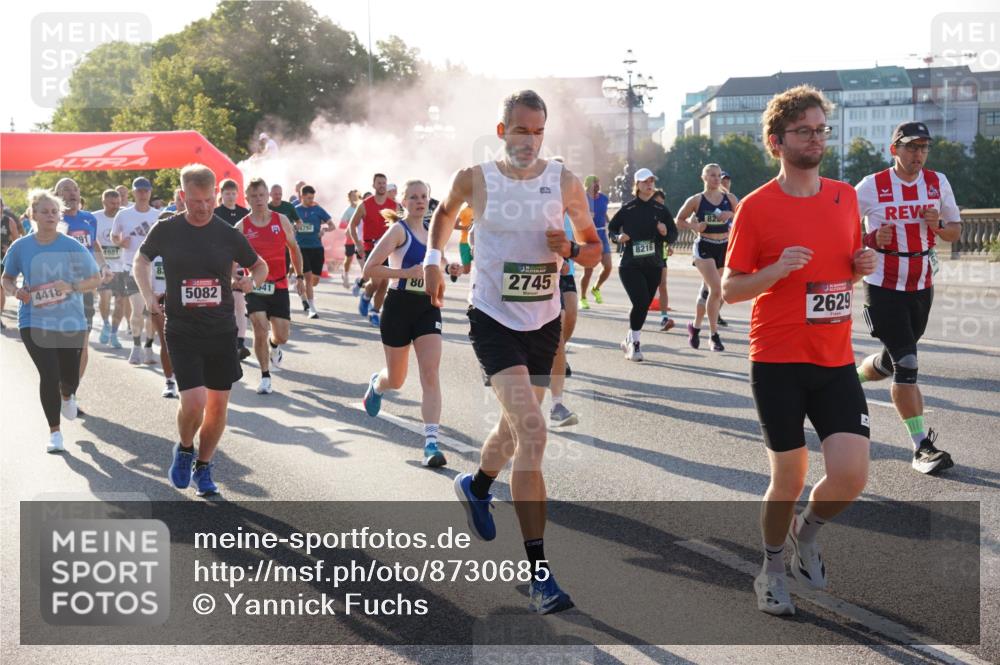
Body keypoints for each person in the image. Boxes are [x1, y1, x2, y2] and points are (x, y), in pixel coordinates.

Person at [424, 90, 601, 614]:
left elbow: (593, 245)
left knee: (511, 428)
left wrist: (571, 250)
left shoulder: (564, 181)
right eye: (520, 131)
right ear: (502, 132)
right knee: (533, 430)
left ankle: (476, 484)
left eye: (539, 131)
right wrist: (434, 258)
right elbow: (445, 213)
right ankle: (540, 571)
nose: (530, 140)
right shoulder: (475, 177)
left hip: (542, 321)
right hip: (493, 318)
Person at [722, 85, 877, 617]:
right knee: (787, 477)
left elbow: (840, 271)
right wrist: (774, 270)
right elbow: (731, 289)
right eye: (803, 131)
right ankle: (768, 568)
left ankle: (804, 534)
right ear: (776, 141)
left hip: (834, 358)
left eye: (820, 129)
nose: (815, 138)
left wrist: (859, 267)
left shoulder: (845, 197)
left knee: (852, 474)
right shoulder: (757, 208)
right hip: (778, 359)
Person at [133, 164, 268, 497]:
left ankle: (204, 467)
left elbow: (260, 265)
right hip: (182, 329)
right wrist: (150, 297)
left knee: (218, 407)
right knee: (193, 403)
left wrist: (253, 281)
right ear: (182, 197)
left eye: (209, 200)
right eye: (196, 200)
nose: (204, 207)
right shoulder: (166, 229)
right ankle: (184, 447)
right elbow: (141, 260)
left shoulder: (227, 233)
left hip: (221, 331)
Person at [855, 122, 962, 475]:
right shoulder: (872, 186)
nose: (918, 154)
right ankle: (921, 448)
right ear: (894, 150)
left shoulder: (937, 182)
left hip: (921, 283)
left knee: (893, 360)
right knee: (909, 363)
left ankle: (849, 380)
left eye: (923, 148)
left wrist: (936, 226)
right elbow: (841, 229)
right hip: (883, 285)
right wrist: (871, 239)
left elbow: (953, 232)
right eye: (911, 147)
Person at [361, 180, 462, 466]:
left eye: (424, 197)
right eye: (414, 197)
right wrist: (404, 272)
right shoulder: (398, 231)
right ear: (403, 201)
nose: (420, 201)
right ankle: (377, 386)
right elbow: (370, 268)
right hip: (398, 307)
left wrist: (449, 268)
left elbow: (438, 265)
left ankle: (431, 443)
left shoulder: (434, 233)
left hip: (428, 307)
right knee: (397, 379)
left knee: (430, 373)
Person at [2, 189, 101, 452]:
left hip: (70, 320)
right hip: (33, 319)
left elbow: (95, 278)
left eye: (54, 212)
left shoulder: (71, 245)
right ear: (33, 214)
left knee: (69, 377)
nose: (50, 216)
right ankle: (55, 433)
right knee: (49, 374)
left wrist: (71, 286)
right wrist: (15, 292)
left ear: (59, 216)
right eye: (44, 211)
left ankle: (68, 394)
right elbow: (7, 278)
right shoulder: (20, 247)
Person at [237, 178, 305, 394]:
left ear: (268, 196)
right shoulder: (242, 227)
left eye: (261, 195)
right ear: (247, 199)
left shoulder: (281, 220)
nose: (258, 200)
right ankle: (265, 376)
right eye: (253, 196)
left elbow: (294, 249)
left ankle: (275, 347)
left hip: (279, 284)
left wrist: (300, 277)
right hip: (255, 285)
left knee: (282, 335)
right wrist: (235, 278)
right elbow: (230, 258)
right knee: (259, 328)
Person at [607, 168, 678, 362]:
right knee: (639, 302)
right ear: (637, 185)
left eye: (651, 181)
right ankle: (635, 344)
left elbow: (673, 233)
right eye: (645, 181)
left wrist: (666, 234)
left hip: (654, 264)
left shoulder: (660, 209)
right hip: (630, 265)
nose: (649, 184)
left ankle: (629, 338)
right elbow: (612, 229)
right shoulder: (628, 209)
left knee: (644, 305)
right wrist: (618, 237)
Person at [55, 177, 114, 406]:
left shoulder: (89, 218)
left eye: (75, 189)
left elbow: (95, 245)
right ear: (57, 195)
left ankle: (71, 394)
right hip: (60, 289)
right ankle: (60, 383)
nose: (72, 193)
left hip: (85, 288)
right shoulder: (54, 219)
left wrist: (103, 266)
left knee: (82, 342)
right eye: (65, 189)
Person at [675, 164, 739, 352]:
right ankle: (714, 336)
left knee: (710, 293)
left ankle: (695, 327)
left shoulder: (730, 198)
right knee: (717, 290)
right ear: (703, 177)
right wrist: (694, 227)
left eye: (719, 175)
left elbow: (745, 217)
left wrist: (732, 214)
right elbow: (678, 220)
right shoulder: (696, 200)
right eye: (712, 175)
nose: (716, 179)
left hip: (724, 247)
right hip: (704, 246)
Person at [111, 177, 162, 365]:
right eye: (139, 191)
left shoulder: (158, 214)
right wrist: (118, 242)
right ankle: (136, 346)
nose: (142, 194)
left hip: (155, 268)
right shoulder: (123, 215)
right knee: (138, 309)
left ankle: (148, 346)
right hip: (131, 266)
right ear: (133, 192)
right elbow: (114, 235)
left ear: (150, 192)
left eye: (146, 190)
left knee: (152, 311)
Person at [348, 174, 397, 327]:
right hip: (371, 247)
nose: (382, 185)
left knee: (384, 283)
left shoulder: (394, 205)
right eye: (379, 183)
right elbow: (352, 225)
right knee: (376, 281)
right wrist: (358, 243)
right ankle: (366, 296)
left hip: (389, 248)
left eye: (384, 183)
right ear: (374, 185)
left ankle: (374, 311)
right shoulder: (364, 205)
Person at [214, 178, 252, 358]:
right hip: (217, 265)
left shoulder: (245, 213)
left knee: (239, 302)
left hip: (238, 263)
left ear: (237, 194)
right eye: (226, 193)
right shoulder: (214, 213)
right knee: (219, 304)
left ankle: (240, 343)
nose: (230, 196)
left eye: (233, 193)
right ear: (221, 195)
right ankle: (221, 340)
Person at [549, 208, 580, 426]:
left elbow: (584, 242)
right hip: (536, 273)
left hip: (564, 272)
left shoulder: (571, 213)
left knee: (570, 316)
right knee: (554, 334)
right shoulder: (524, 206)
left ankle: (556, 404)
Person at [92, 189, 126, 347]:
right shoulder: (95, 218)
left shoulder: (125, 215)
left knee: (121, 302)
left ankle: (114, 333)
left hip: (123, 266)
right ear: (104, 202)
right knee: (104, 297)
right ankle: (105, 323)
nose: (116, 206)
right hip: (103, 265)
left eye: (118, 203)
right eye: (112, 203)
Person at [293, 185, 332, 319]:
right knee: (308, 278)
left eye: (312, 198)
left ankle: (301, 288)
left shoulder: (318, 209)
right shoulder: (295, 210)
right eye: (308, 198)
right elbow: (287, 226)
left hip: (317, 248)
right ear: (302, 197)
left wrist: (324, 230)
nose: (311, 200)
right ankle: (312, 309)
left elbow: (332, 225)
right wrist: (293, 228)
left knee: (314, 281)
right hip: (302, 248)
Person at [578, 175, 612, 311]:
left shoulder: (604, 198)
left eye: (598, 183)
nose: (597, 185)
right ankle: (583, 298)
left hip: (602, 235)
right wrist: (585, 216)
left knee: (608, 266)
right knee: (589, 270)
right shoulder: (582, 198)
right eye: (594, 183)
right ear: (587, 185)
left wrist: (612, 224)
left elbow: (604, 214)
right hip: (588, 235)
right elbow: (575, 215)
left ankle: (596, 288)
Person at [652, 189, 676, 331]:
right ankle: (636, 315)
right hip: (645, 256)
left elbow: (670, 233)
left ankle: (664, 317)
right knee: (644, 288)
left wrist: (670, 245)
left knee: (663, 285)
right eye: (657, 202)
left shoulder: (665, 215)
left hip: (661, 255)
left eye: (662, 202)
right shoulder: (644, 215)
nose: (660, 205)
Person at [1, 196, 24, 328]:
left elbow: (16, 241)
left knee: (0, 289)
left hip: (3, 258)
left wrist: (8, 249)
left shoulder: (8, 221)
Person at [340, 189, 361, 288]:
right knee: (349, 258)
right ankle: (346, 275)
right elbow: (341, 224)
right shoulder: (348, 211)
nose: (354, 198)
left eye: (356, 196)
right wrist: (350, 226)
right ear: (349, 198)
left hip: (361, 238)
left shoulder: (362, 208)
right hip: (350, 239)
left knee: (363, 258)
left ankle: (363, 279)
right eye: (352, 196)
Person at [455, 203, 475, 276]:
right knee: (466, 270)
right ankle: (453, 269)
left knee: (480, 266)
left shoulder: (479, 211)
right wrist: (467, 228)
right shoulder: (464, 211)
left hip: (476, 244)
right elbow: (455, 225)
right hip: (465, 243)